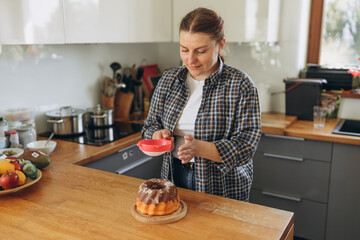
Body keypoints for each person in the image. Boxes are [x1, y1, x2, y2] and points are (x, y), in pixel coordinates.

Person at [142, 7, 261, 202]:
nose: (190, 59)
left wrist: (200, 149)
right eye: (184, 50)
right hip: (174, 176)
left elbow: (246, 146)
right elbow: (149, 126)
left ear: (220, 45)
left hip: (223, 185)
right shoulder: (168, 80)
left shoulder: (241, 85)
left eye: (201, 51)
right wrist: (157, 135)